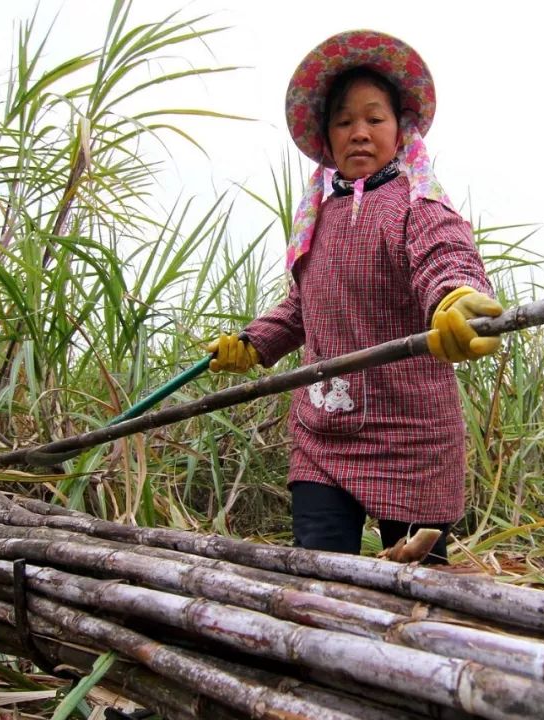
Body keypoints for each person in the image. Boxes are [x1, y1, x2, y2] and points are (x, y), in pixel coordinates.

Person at [207, 30, 504, 564]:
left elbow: (444, 257)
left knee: (416, 589)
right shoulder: (316, 217)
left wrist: (456, 299)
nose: (359, 133)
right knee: (320, 580)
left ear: (400, 129)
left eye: (374, 118)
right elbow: (305, 307)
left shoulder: (418, 203)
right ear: (326, 137)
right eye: (344, 121)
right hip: (324, 433)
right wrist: (252, 343)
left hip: (413, 436)